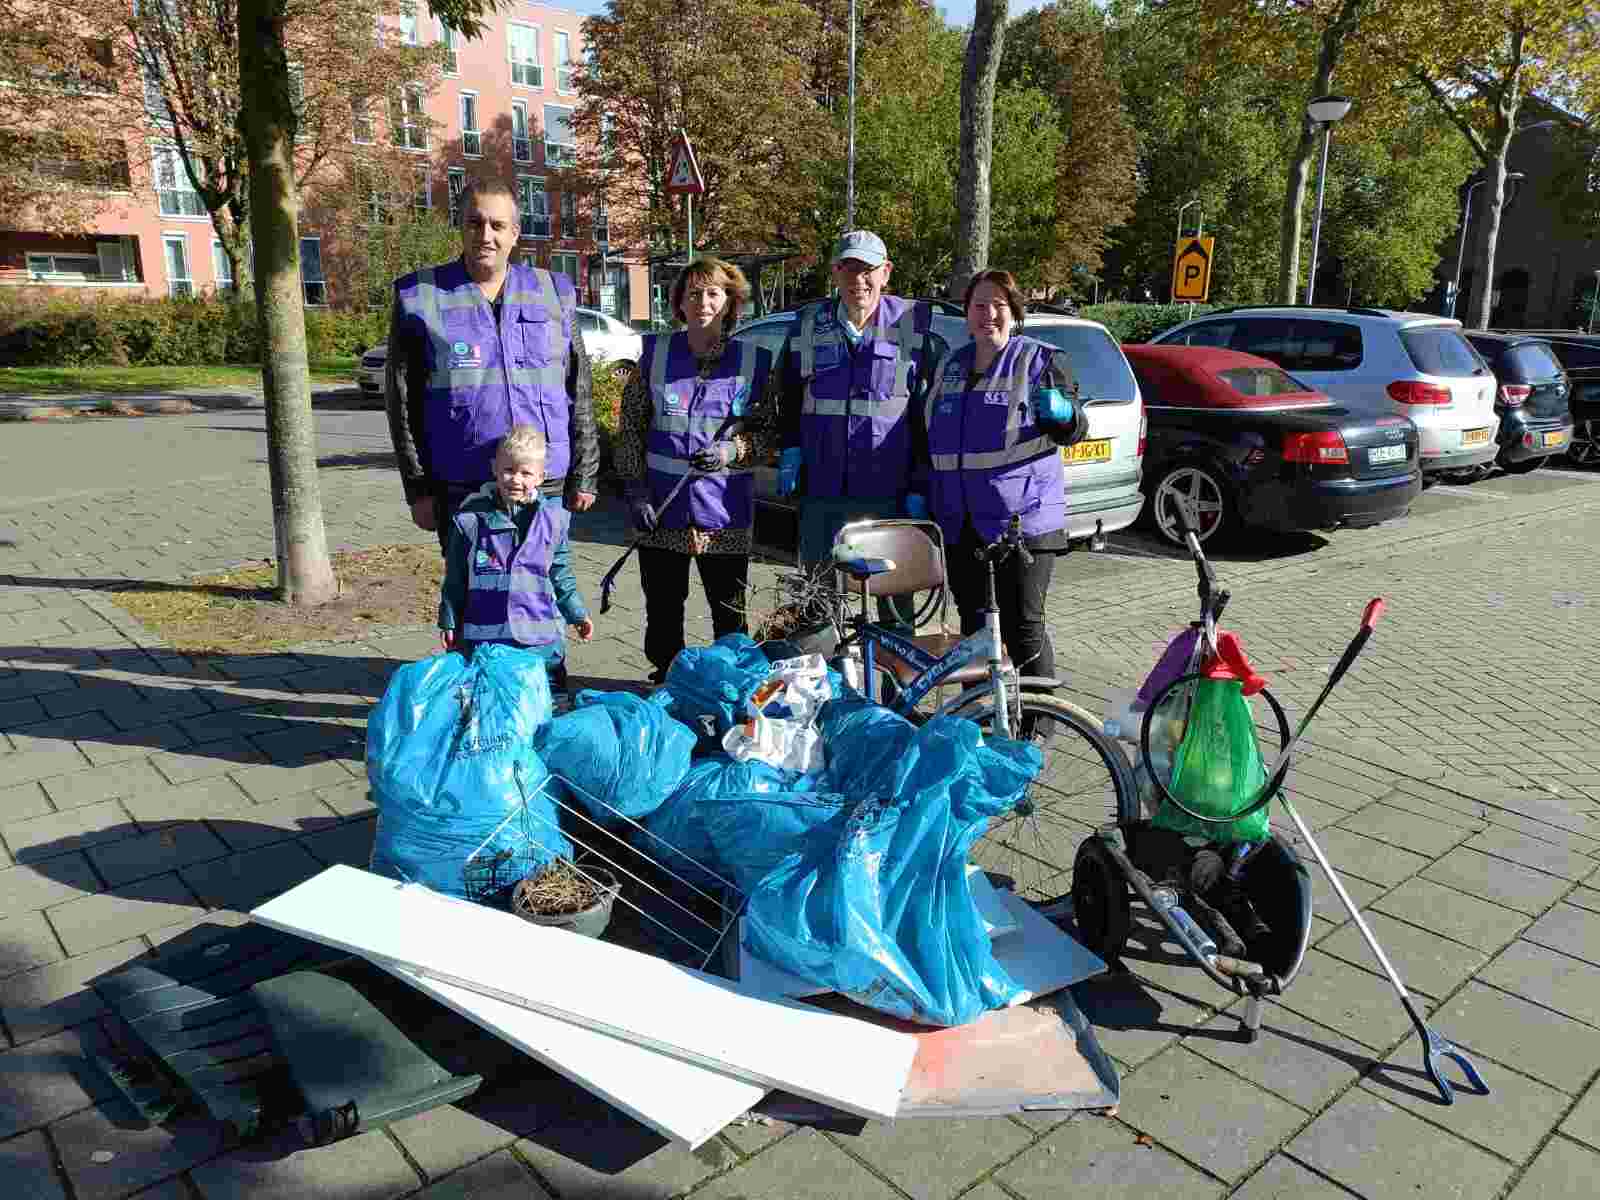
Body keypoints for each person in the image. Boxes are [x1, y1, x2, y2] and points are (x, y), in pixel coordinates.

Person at [385, 178, 599, 553]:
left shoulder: (554, 292)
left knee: (543, 597)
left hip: (544, 482)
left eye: (498, 225)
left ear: (515, 233)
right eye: (474, 223)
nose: (485, 235)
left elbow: (578, 387)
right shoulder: (419, 297)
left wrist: (585, 473)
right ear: (461, 226)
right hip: (462, 485)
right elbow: (402, 403)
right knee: (473, 599)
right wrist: (417, 488)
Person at [909, 268, 1088, 700]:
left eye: (998, 305)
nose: (988, 314)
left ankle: (1038, 722)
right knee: (974, 628)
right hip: (960, 522)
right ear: (967, 314)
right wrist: (920, 489)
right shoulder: (950, 365)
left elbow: (1074, 429)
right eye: (978, 305)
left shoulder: (1041, 360)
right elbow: (926, 434)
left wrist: (1066, 415)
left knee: (1022, 626)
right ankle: (982, 714)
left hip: (1023, 523)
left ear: (1014, 313)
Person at [614, 256, 777, 684]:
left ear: (731, 302)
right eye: (692, 293)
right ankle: (667, 679)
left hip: (724, 516)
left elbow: (771, 436)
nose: (702, 302)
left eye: (713, 293)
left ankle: (730, 687)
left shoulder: (754, 363)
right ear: (679, 304)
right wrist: (635, 490)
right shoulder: (655, 356)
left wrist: (734, 449)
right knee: (663, 609)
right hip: (662, 511)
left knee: (729, 614)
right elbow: (630, 427)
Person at [776, 230, 946, 625]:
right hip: (823, 491)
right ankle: (829, 683)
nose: (859, 281)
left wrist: (920, 484)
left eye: (868, 270)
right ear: (835, 273)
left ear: (885, 273)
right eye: (849, 269)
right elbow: (785, 397)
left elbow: (930, 418)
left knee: (892, 606)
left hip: (888, 493)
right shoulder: (805, 328)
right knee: (818, 602)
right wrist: (790, 449)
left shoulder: (914, 332)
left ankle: (892, 687)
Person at [438, 426, 594, 690]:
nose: (515, 479)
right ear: (494, 469)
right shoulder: (470, 520)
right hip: (486, 638)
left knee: (546, 699)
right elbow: (455, 577)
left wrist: (576, 613)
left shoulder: (554, 520)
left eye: (525, 473)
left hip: (539, 639)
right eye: (508, 470)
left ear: (541, 477)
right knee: (490, 701)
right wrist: (449, 619)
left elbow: (561, 572)